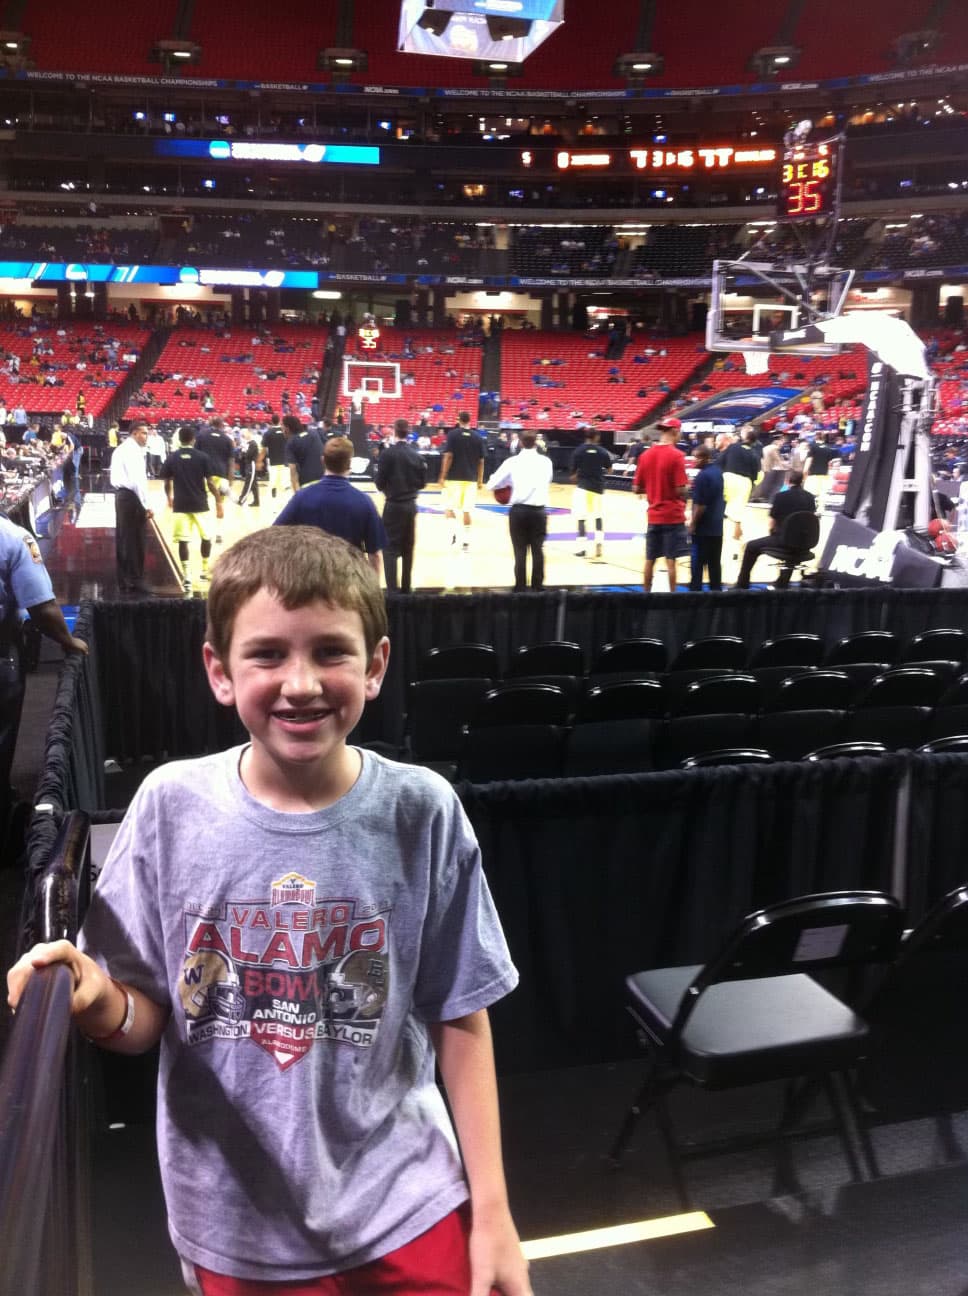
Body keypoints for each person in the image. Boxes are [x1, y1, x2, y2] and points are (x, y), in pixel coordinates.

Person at [6, 527, 531, 1296]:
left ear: (376, 665)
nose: (301, 683)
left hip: (408, 1202)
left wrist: (494, 1215)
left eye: (330, 652)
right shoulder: (170, 807)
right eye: (267, 655)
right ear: (219, 672)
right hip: (238, 1226)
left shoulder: (422, 809)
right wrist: (92, 998)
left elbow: (461, 1014)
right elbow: (151, 1016)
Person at [274, 436, 385, 575]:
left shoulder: (302, 497)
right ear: (350, 464)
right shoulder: (364, 502)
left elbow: (275, 536)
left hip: (311, 579)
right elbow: (374, 555)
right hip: (349, 582)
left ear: (323, 460)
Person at [485, 430, 553, 592]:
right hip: (538, 511)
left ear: (521, 443)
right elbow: (548, 480)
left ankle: (520, 586)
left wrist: (506, 484)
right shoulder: (546, 462)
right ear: (535, 443)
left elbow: (491, 485)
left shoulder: (512, 462)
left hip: (519, 512)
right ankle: (538, 586)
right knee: (538, 550)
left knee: (520, 550)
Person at [160, 426, 219, 597]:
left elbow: (166, 481)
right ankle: (204, 569)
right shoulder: (203, 457)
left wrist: (169, 497)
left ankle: (186, 575)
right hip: (201, 504)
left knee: (183, 541)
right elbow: (210, 483)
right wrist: (219, 501)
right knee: (206, 537)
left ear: (179, 439)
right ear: (193, 439)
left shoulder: (172, 457)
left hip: (181, 505)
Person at [734, 469, 817, 589]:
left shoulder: (780, 496)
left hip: (784, 540)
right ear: (802, 480)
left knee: (751, 546)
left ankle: (742, 584)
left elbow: (772, 523)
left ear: (787, 481)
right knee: (793, 543)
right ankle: (783, 583)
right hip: (805, 542)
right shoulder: (810, 497)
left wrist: (772, 534)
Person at [632, 418, 689, 593]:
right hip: (672, 516)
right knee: (671, 560)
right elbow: (680, 489)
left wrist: (651, 487)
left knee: (650, 559)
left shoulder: (645, 455)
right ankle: (672, 597)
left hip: (653, 516)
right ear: (674, 431)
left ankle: (646, 594)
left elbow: (636, 488)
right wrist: (688, 489)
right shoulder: (677, 456)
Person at [374, 418, 427, 593]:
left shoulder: (387, 455)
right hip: (410, 506)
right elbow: (422, 483)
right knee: (408, 548)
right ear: (408, 431)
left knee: (389, 550)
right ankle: (406, 590)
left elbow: (379, 483)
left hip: (393, 505)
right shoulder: (416, 455)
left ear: (394, 431)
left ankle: (392, 592)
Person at [108, 422, 153, 595]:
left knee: (125, 538)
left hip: (123, 497)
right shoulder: (132, 450)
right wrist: (146, 504)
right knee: (135, 540)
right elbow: (137, 481)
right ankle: (135, 579)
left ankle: (125, 579)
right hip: (131, 497)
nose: (146, 437)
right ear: (134, 433)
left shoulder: (122, 448)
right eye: (143, 433)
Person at [438, 410, 484, 551]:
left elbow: (449, 456)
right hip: (470, 479)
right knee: (466, 511)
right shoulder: (477, 437)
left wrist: (442, 475)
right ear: (470, 420)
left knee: (449, 508)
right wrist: (480, 480)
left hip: (453, 478)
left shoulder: (452, 435)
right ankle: (466, 542)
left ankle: (453, 536)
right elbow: (481, 461)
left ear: (458, 420)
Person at [570, 429, 612, 559]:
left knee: (581, 518)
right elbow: (610, 470)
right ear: (596, 437)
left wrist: (580, 475)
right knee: (598, 517)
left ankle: (582, 548)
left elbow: (572, 476)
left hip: (583, 488)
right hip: (598, 489)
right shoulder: (602, 452)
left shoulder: (578, 451)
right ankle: (599, 542)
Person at [688, 445, 725, 592]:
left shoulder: (702, 476)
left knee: (697, 564)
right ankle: (717, 596)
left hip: (704, 529)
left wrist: (692, 524)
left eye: (696, 458)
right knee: (714, 564)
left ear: (705, 458)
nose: (693, 461)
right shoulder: (718, 472)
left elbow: (701, 505)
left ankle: (694, 596)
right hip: (717, 527)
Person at [195, 417, 236, 544]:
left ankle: (206, 533)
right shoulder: (227, 439)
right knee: (219, 503)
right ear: (222, 425)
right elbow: (231, 461)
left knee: (204, 504)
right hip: (221, 474)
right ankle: (219, 533)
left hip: (205, 475)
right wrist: (230, 478)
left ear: (210, 424)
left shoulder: (201, 436)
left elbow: (196, 455)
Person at [720, 425, 759, 549]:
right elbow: (755, 474)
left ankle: (714, 534)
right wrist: (752, 487)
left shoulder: (733, 447)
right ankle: (737, 536)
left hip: (728, 478)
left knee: (718, 506)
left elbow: (720, 462)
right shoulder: (755, 454)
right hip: (745, 483)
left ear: (744, 436)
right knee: (738, 512)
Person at [284, 413, 325, 492]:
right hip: (322, 480)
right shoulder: (314, 434)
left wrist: (296, 495)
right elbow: (323, 457)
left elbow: (293, 470)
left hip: (306, 484)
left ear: (287, 428)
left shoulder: (291, 442)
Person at [803, 432, 838, 514]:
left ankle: (807, 510)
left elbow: (809, 461)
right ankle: (820, 510)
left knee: (809, 493)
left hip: (813, 475)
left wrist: (804, 472)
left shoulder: (813, 447)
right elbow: (830, 464)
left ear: (816, 437)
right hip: (824, 475)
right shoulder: (829, 449)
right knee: (822, 494)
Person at [261, 414, 288, 499]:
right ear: (279, 421)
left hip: (273, 460)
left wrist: (260, 459)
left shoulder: (268, 433)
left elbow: (264, 448)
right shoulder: (285, 431)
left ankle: (273, 495)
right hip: (285, 460)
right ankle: (284, 497)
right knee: (284, 482)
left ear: (271, 421)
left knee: (273, 480)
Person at [236, 428, 260, 508]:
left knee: (248, 483)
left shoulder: (253, 444)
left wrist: (244, 450)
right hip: (248, 465)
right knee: (253, 484)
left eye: (245, 433)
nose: (243, 435)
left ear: (249, 433)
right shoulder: (248, 444)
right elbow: (241, 456)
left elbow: (247, 455)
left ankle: (241, 500)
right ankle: (256, 501)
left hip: (251, 465)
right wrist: (243, 451)